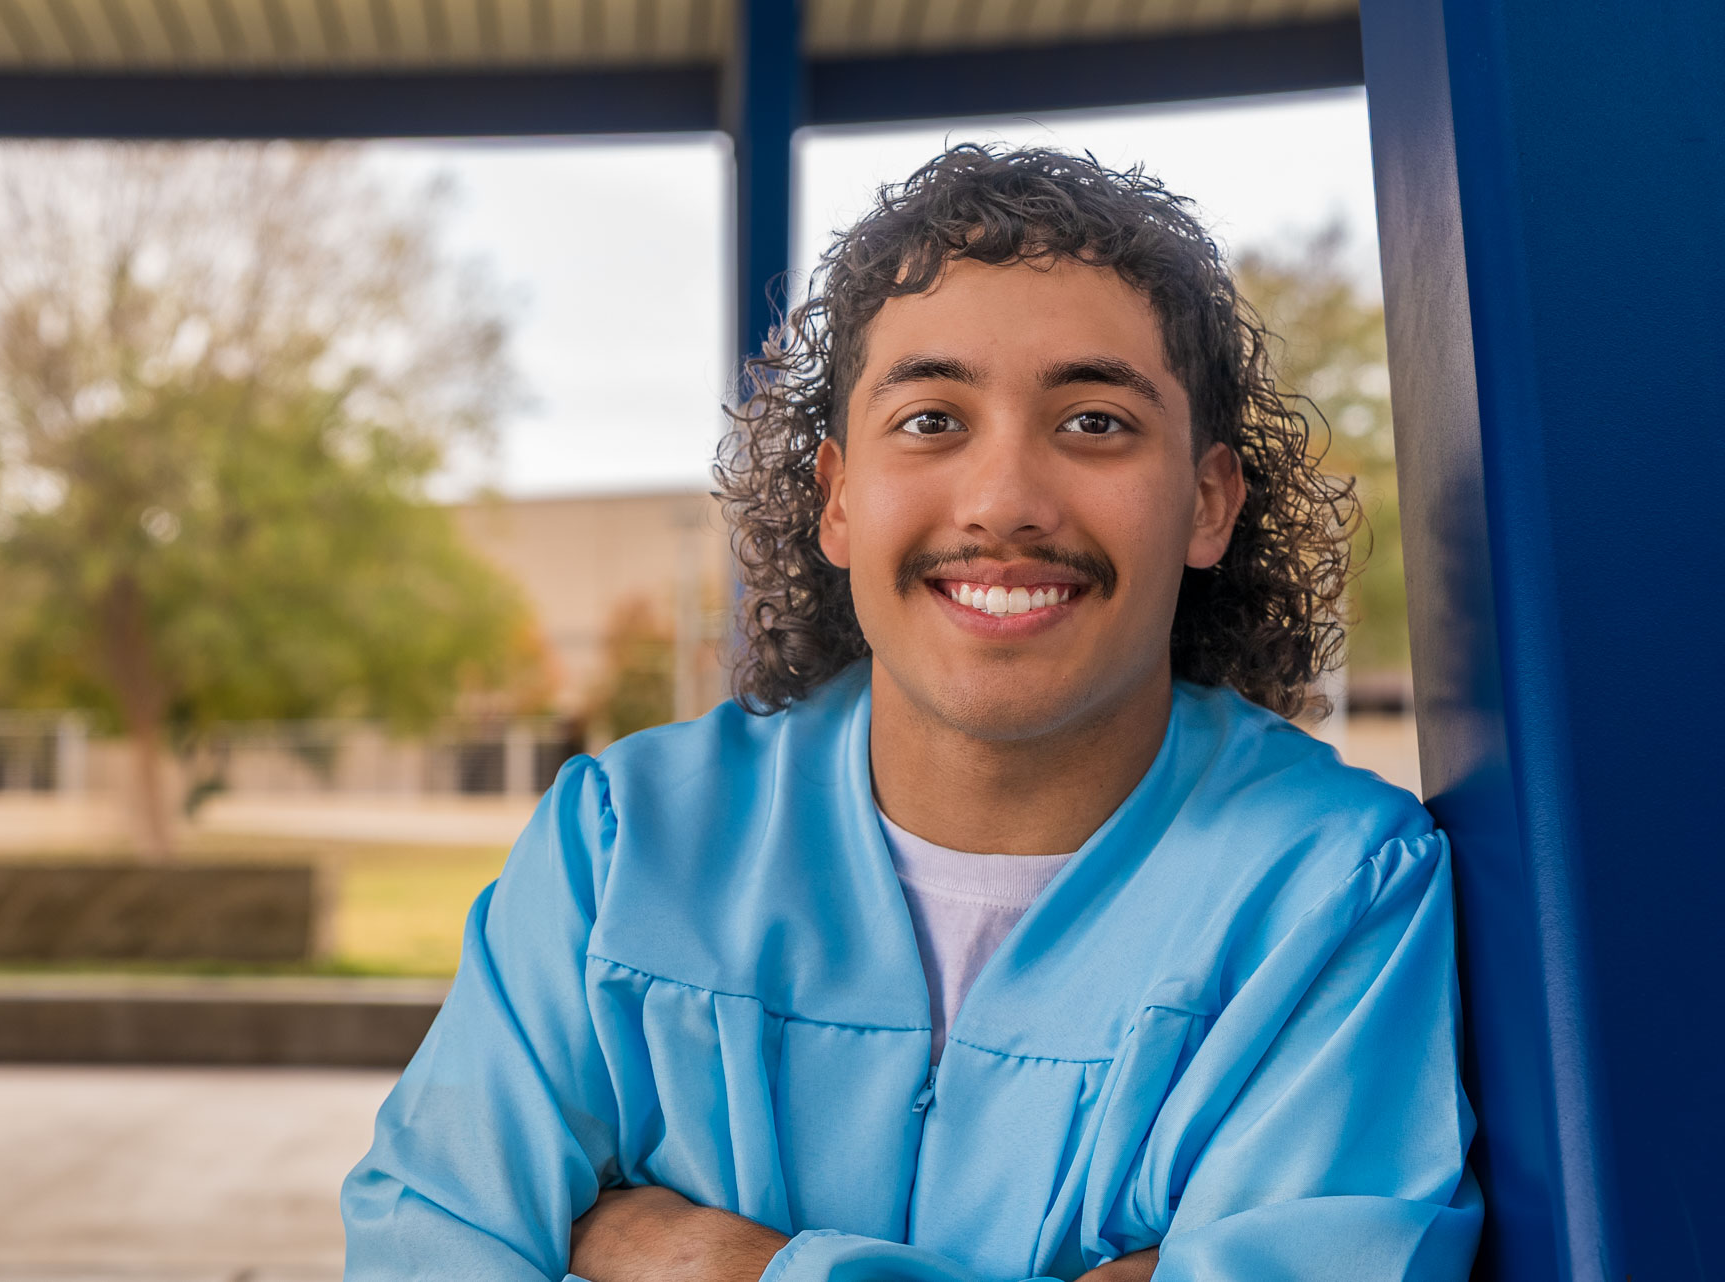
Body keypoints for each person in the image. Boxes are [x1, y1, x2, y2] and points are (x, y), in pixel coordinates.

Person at [340, 144, 1482, 1282]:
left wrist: (725, 1262)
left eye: (1094, 422)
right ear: (839, 498)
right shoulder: (624, 847)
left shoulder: (1329, 894)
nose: (1004, 502)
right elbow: (424, 1245)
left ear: (1208, 501)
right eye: (932, 419)